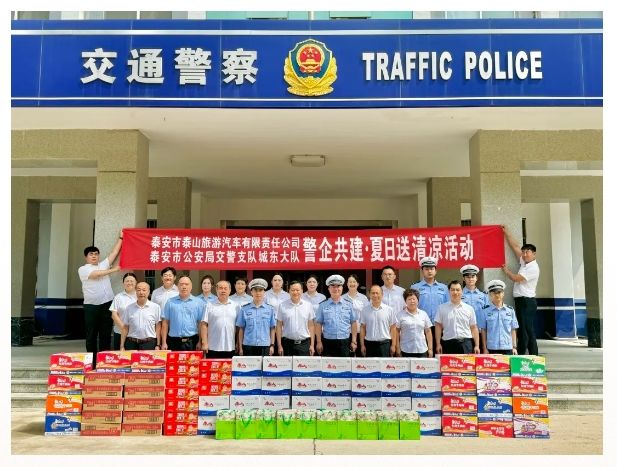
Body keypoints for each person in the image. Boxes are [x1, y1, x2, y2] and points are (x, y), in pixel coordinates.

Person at [78, 233, 123, 366]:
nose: (94, 256)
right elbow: (96, 275)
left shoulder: (103, 264)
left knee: (105, 333)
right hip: (91, 306)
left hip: (107, 304)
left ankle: (103, 362)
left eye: (96, 254)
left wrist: (121, 238)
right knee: (91, 334)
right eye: (91, 254)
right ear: (86, 257)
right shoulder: (83, 269)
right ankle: (91, 363)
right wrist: (114, 270)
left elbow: (114, 253)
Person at [501, 225, 540, 355]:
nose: (524, 254)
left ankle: (529, 355)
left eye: (527, 252)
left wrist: (506, 271)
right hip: (521, 301)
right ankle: (526, 354)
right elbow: (515, 247)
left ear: (534, 254)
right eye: (524, 252)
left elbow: (516, 278)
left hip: (527, 302)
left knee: (526, 330)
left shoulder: (533, 268)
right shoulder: (525, 262)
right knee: (523, 329)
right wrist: (506, 232)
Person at [411, 256, 448, 352]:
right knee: (423, 354)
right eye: (426, 269)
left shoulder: (444, 288)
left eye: (432, 269)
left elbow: (447, 307)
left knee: (439, 354)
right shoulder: (415, 287)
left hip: (440, 326)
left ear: (436, 271)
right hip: (422, 326)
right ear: (422, 271)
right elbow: (412, 307)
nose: (429, 271)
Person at [315, 274, 358, 357]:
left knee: (345, 364)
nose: (336, 289)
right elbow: (318, 324)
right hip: (328, 342)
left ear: (342, 288)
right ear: (329, 288)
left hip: (345, 342)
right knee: (328, 364)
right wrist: (319, 342)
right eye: (333, 286)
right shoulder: (322, 305)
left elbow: (353, 323)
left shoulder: (349, 304)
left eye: (338, 286)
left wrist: (353, 341)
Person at [434, 280, 480, 354]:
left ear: (462, 291)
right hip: (448, 344)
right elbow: (438, 327)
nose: (455, 292)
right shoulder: (441, 308)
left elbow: (473, 327)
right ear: (449, 291)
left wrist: (477, 345)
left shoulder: (469, 308)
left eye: (458, 290)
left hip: (466, 344)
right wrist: (438, 344)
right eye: (452, 290)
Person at [161, 275, 204, 351]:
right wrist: (164, 342)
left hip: (192, 341)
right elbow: (165, 323)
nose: (184, 287)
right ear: (177, 286)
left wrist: (200, 341)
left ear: (191, 286)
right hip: (173, 341)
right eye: (181, 284)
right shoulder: (170, 302)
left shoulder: (198, 302)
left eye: (186, 284)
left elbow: (201, 323)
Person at [235, 278, 277, 357]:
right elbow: (241, 329)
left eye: (260, 290)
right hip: (248, 345)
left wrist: (272, 345)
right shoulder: (244, 309)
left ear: (264, 292)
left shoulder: (270, 309)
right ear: (251, 292)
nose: (258, 293)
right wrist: (240, 347)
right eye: (255, 290)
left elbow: (272, 328)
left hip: (264, 345)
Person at [200, 280, 240, 359]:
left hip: (230, 346)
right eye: (221, 288)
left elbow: (239, 327)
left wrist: (238, 343)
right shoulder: (209, 305)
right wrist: (204, 343)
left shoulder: (236, 306)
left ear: (230, 290)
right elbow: (204, 325)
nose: (223, 290)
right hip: (212, 347)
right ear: (216, 290)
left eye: (225, 288)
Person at [478, 280, 519, 355]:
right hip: (492, 348)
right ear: (490, 295)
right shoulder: (485, 311)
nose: (497, 295)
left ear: (503, 294)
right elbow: (483, 331)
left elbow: (513, 329)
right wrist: (484, 348)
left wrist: (514, 347)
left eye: (499, 292)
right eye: (494, 293)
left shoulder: (510, 310)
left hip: (508, 348)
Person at [276, 280, 315, 356]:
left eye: (297, 290)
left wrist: (312, 345)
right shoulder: (282, 306)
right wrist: (279, 345)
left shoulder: (308, 305)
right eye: (293, 290)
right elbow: (279, 326)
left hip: (304, 344)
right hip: (287, 344)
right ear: (289, 291)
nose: (295, 292)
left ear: (302, 291)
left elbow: (311, 326)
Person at [120, 282, 161, 351]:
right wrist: (122, 346)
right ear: (135, 292)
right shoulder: (129, 308)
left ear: (148, 292)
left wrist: (158, 344)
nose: (141, 292)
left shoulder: (156, 307)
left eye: (144, 290)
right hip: (131, 343)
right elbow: (125, 327)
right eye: (138, 290)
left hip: (149, 343)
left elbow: (158, 326)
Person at [359, 285, 397, 358]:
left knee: (385, 365)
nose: (375, 295)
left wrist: (393, 345)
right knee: (370, 365)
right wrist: (362, 345)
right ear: (369, 295)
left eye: (377, 293)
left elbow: (393, 328)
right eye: (373, 293)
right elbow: (362, 328)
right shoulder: (364, 310)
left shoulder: (389, 310)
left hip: (385, 345)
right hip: (369, 344)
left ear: (382, 295)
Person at [395, 288, 433, 358]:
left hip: (422, 349)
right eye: (409, 299)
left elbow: (428, 331)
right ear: (405, 301)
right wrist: (397, 348)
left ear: (418, 300)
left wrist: (430, 349)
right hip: (405, 349)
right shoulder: (400, 315)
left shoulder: (423, 314)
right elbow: (396, 332)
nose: (412, 301)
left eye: (414, 299)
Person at [460, 264, 490, 352]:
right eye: (468, 277)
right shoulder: (459, 295)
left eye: (473, 276)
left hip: (480, 331)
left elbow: (487, 314)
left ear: (476, 278)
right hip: (465, 332)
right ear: (463, 278)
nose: (470, 279)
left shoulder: (483, 296)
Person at [342, 274, 369, 356]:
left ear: (357, 284)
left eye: (354, 282)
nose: (352, 284)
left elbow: (367, 314)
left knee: (361, 356)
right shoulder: (342, 298)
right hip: (346, 332)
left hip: (360, 331)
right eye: (350, 282)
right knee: (347, 355)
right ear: (347, 284)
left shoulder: (363, 298)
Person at [109, 272, 137, 350]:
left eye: (132, 281)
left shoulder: (140, 295)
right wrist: (124, 328)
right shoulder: (118, 297)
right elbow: (114, 314)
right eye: (127, 281)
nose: (129, 283)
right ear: (123, 283)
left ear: (136, 282)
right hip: (119, 332)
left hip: (136, 334)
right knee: (120, 355)